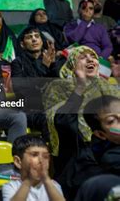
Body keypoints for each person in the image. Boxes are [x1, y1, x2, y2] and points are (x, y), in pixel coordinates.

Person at [43, 46, 120, 177]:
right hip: (76, 157)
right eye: (83, 57)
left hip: (110, 150)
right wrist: (80, 86)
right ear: (72, 65)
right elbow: (63, 122)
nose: (90, 60)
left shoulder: (108, 87)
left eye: (93, 57)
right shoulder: (58, 86)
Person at [2, 135, 65, 201]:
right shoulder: (11, 186)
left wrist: (46, 180)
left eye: (45, 156)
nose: (41, 160)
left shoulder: (53, 185)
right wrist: (28, 181)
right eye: (34, 155)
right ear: (18, 161)